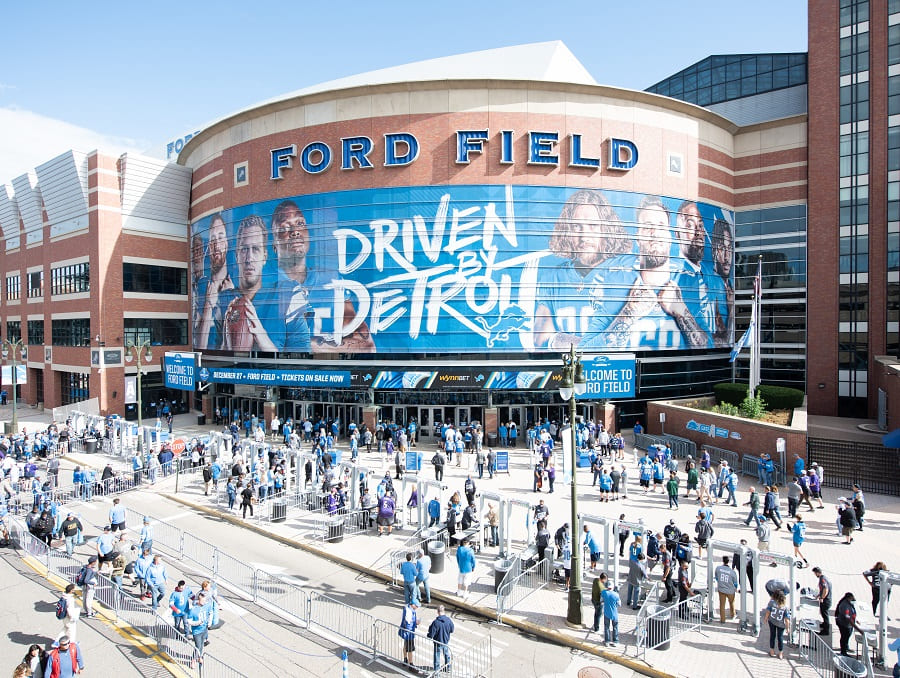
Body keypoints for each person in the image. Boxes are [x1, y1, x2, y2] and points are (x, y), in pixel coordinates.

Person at [580, 195, 709, 350]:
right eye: (648, 227)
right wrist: (628, 313)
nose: (654, 233)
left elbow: (708, 346)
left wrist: (682, 311)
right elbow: (585, 349)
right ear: (637, 238)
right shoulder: (612, 286)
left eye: (661, 226)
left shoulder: (690, 283)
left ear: (670, 236)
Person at [270, 200, 374, 352]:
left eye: (300, 223)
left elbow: (366, 346)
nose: (295, 231)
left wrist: (304, 345)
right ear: (274, 245)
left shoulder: (330, 281)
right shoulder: (265, 286)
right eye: (285, 227)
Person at [532, 189, 631, 348]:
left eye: (593, 226)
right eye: (577, 227)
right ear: (567, 231)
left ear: (606, 229)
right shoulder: (552, 278)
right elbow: (541, 339)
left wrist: (564, 342)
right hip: (569, 370)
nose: (584, 236)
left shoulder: (624, 275)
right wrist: (592, 347)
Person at [222, 215, 301, 351]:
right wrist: (227, 343)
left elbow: (302, 360)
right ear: (236, 255)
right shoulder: (225, 302)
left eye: (256, 249)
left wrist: (261, 335)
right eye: (244, 249)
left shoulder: (286, 296)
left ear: (264, 256)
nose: (249, 258)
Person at [196, 213, 234, 350]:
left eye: (220, 237)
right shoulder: (201, 287)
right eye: (212, 239)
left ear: (227, 244)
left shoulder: (235, 289)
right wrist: (208, 305)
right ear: (209, 247)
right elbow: (199, 346)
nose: (216, 243)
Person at [764, 589, 791, 659]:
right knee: (780, 638)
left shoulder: (772, 603)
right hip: (781, 624)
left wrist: (766, 619)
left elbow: (768, 611)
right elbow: (786, 619)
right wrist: (788, 628)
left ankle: (772, 651)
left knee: (772, 635)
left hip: (772, 621)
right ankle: (780, 653)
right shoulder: (785, 607)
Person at [427, 605, 454, 674]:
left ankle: (437, 672)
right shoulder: (448, 620)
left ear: (438, 612)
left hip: (437, 642)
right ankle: (448, 667)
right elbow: (452, 630)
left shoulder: (436, 622)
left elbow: (431, 633)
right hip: (445, 641)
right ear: (444, 611)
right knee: (446, 654)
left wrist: (429, 636)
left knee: (437, 657)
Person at [835, 592, 864, 656]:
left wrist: (855, 620)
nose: (853, 600)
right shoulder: (845, 606)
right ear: (848, 598)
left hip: (849, 625)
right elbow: (848, 619)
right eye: (852, 599)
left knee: (848, 636)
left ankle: (846, 647)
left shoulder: (849, 603)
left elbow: (852, 613)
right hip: (844, 624)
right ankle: (843, 652)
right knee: (844, 637)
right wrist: (858, 629)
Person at [187, 592, 210, 668]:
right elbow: (189, 621)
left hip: (204, 629)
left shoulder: (206, 606)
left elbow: (209, 613)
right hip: (197, 631)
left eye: (205, 601)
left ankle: (199, 657)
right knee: (197, 646)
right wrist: (197, 623)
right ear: (198, 600)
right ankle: (193, 660)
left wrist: (209, 622)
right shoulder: (193, 610)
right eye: (202, 601)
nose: (204, 602)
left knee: (201, 645)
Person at [714, 556, 738, 623]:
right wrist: (735, 588)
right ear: (728, 561)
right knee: (731, 603)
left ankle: (722, 619)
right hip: (730, 590)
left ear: (723, 561)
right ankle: (733, 614)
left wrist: (720, 582)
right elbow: (735, 582)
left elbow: (716, 577)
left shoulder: (718, 568)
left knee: (722, 605)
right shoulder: (732, 572)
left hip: (721, 589)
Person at [812, 566, 832, 635]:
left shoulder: (822, 580)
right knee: (824, 614)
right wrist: (818, 595)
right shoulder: (825, 578)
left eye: (815, 573)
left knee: (825, 615)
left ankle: (826, 631)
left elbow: (825, 589)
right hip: (827, 599)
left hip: (826, 601)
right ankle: (824, 624)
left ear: (817, 573)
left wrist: (822, 598)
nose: (815, 575)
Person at [601, 580, 621, 647]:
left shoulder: (604, 592)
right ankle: (615, 641)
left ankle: (607, 641)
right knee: (615, 627)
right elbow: (619, 604)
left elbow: (601, 600)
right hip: (614, 614)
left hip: (606, 613)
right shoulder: (616, 595)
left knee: (607, 627)